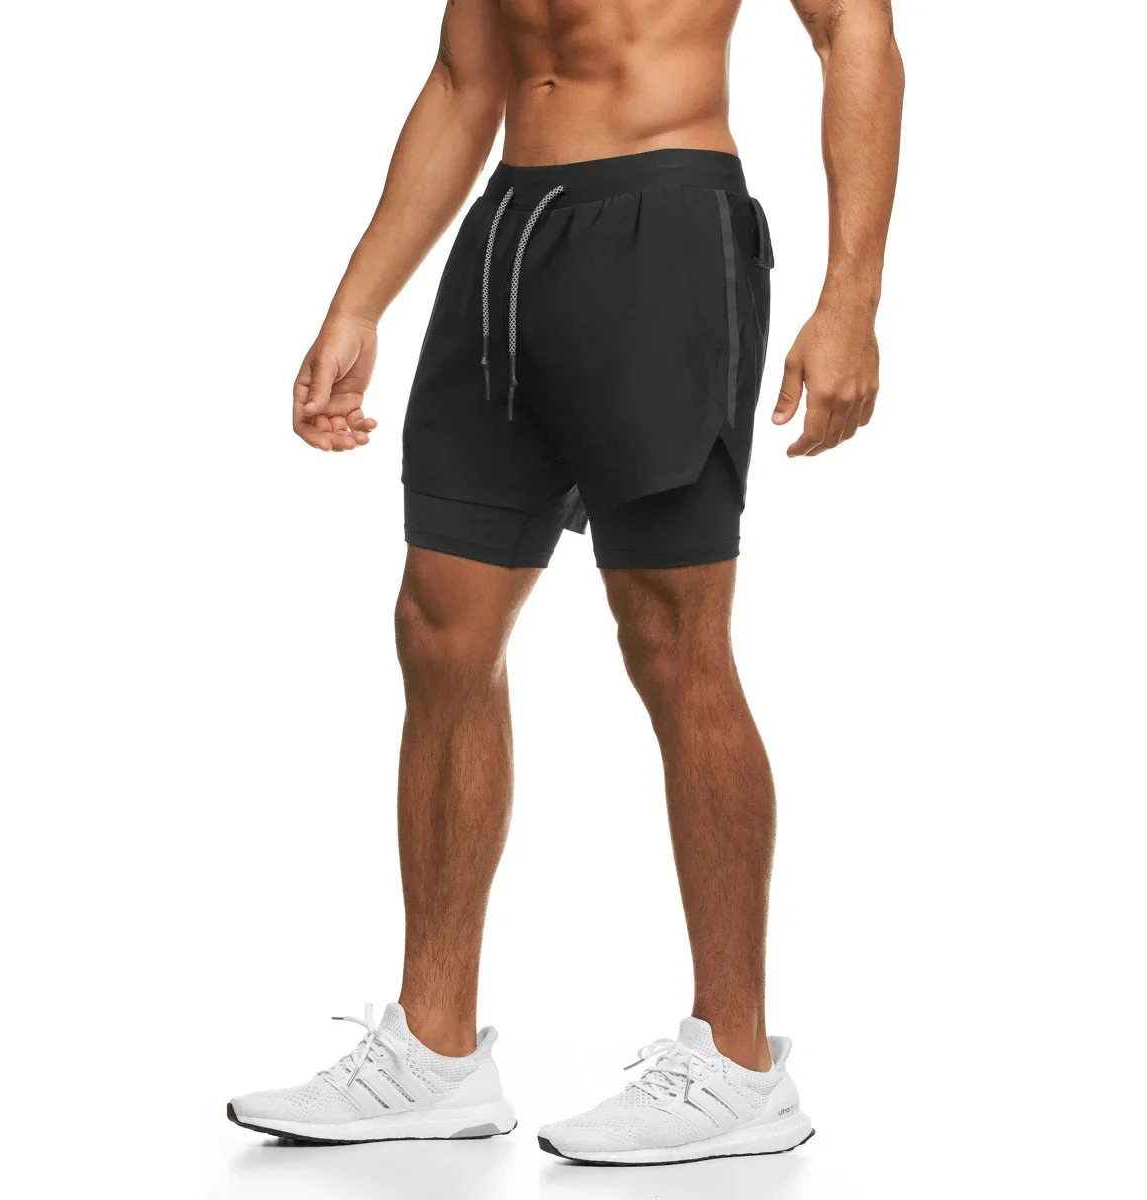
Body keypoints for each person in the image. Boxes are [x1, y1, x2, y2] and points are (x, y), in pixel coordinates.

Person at [228, 0, 903, 1165]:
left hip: (665, 226)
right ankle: (434, 1049)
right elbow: (464, 81)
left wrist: (853, 297)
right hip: (506, 238)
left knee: (672, 639)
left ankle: (740, 1063)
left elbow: (855, 30)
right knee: (439, 625)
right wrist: (358, 301)